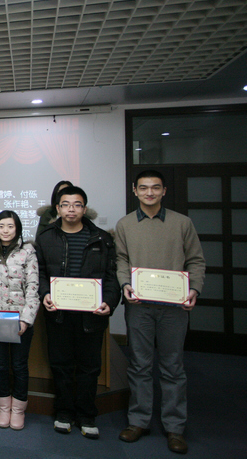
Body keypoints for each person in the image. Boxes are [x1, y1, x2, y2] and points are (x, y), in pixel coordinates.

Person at [115, 170, 205, 455]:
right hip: (139, 307)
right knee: (139, 365)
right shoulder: (125, 224)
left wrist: (194, 289)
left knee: (173, 367)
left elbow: (196, 261)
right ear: (135, 190)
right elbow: (121, 260)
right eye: (144, 188)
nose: (149, 193)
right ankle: (138, 421)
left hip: (174, 307)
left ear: (164, 191)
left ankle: (175, 426)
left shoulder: (182, 223)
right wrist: (125, 284)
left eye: (155, 188)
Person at [36, 185, 120, 439]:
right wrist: (44, 293)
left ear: (85, 208)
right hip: (59, 313)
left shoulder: (102, 239)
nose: (71, 209)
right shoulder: (46, 237)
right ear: (57, 208)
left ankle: (86, 415)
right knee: (61, 365)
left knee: (89, 367)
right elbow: (40, 272)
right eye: (65, 204)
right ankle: (63, 412)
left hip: (91, 316)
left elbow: (112, 276)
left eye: (77, 205)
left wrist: (109, 302)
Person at [0, 210, 39, 430]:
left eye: (10, 226)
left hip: (20, 319)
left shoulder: (27, 252)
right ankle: (4, 408)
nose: (5, 230)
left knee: (19, 365)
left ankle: (18, 410)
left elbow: (33, 287)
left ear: (17, 228)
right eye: (2, 226)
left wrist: (27, 318)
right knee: (0, 364)